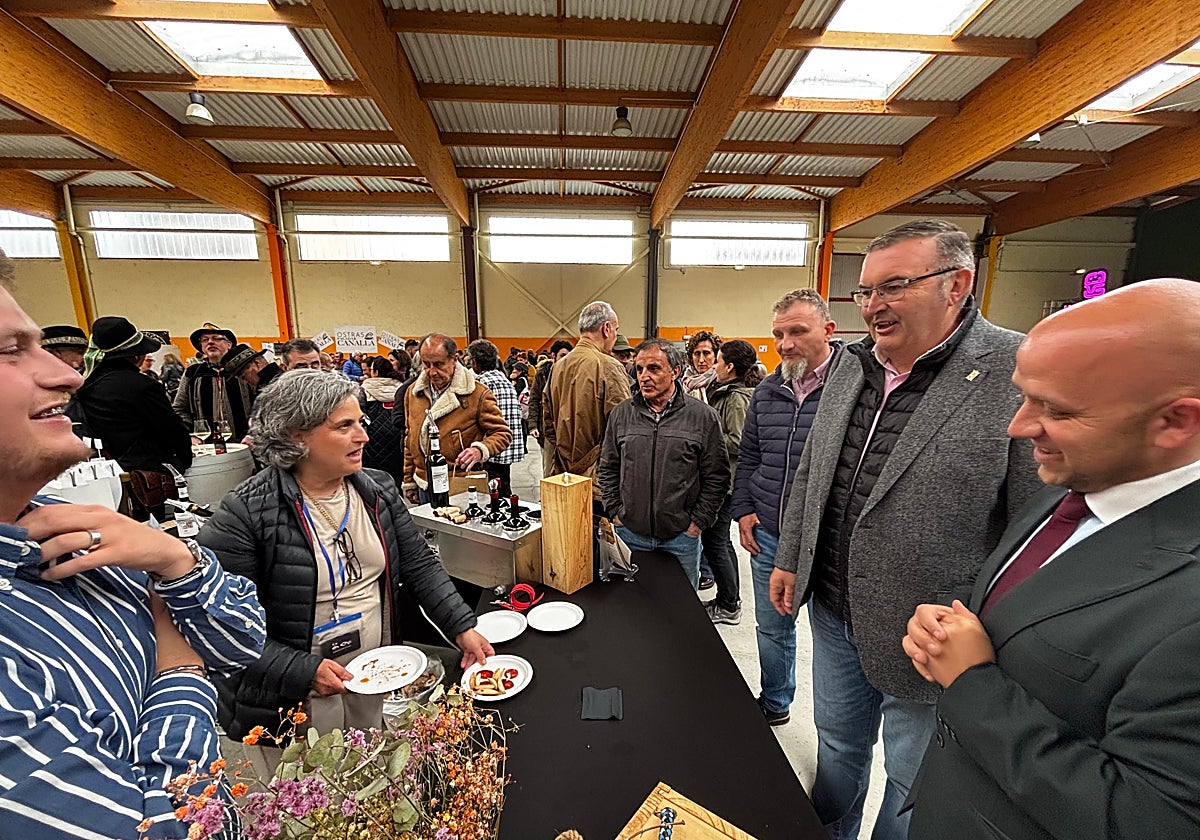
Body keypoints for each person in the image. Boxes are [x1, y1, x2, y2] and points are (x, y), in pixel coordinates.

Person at [769, 219, 1042, 840]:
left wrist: (996, 638)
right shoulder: (852, 364)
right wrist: (791, 557)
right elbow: (815, 469)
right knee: (838, 746)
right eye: (865, 291)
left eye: (894, 286)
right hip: (833, 609)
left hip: (931, 634)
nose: (873, 306)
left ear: (957, 285)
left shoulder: (1013, 368)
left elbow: (1035, 524)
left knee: (911, 777)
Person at [901, 277, 1200, 839]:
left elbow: (1148, 817)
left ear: (1177, 422)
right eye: (1025, 396)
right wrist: (952, 631)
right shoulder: (1076, 485)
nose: (1017, 427)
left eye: (1057, 411)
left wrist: (971, 681)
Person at [0, 247, 266, 839]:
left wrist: (175, 558)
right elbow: (183, 828)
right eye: (10, 350)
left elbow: (241, 640)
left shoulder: (70, 525)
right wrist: (179, 670)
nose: (70, 376)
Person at [200, 370, 493, 745]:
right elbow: (221, 626)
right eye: (344, 426)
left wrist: (461, 625)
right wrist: (302, 671)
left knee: (370, 762)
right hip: (289, 700)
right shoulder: (246, 514)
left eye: (360, 422)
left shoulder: (376, 489)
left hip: (373, 676)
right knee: (310, 777)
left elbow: (419, 564)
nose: (363, 436)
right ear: (296, 435)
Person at [730, 289, 840, 727]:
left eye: (797, 331)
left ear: (828, 330)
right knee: (772, 627)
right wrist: (744, 508)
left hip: (828, 542)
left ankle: (835, 729)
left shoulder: (849, 391)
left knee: (833, 641)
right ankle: (775, 701)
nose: (785, 344)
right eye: (778, 334)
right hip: (771, 534)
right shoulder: (767, 391)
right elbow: (749, 456)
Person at [598, 339, 730, 588]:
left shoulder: (703, 417)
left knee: (681, 604)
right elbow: (608, 467)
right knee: (632, 599)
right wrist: (615, 511)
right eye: (639, 369)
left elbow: (717, 476)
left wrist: (697, 523)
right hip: (630, 533)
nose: (644, 377)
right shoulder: (621, 414)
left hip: (681, 537)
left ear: (675, 371)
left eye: (654, 368)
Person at [67, 315, 193, 475]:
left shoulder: (86, 385)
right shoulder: (142, 385)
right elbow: (172, 430)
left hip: (103, 471)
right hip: (145, 473)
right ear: (136, 356)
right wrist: (183, 460)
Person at [402, 334, 511, 504]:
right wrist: (409, 480)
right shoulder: (413, 393)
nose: (432, 371)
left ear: (454, 360)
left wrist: (479, 450)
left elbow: (502, 433)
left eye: (439, 364)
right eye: (426, 364)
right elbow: (410, 438)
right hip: (424, 483)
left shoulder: (477, 394)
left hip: (460, 484)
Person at [545, 301, 631, 498]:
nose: (615, 335)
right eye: (616, 329)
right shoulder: (609, 366)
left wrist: (567, 455)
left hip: (563, 474)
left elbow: (547, 424)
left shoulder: (558, 367)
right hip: (600, 481)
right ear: (606, 329)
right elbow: (625, 428)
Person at [700, 338, 759, 626]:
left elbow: (737, 441)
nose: (714, 366)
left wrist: (704, 435)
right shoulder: (727, 392)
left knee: (716, 543)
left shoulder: (736, 398)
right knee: (720, 542)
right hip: (725, 480)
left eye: (717, 361)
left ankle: (729, 604)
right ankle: (729, 599)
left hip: (726, 483)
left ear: (730, 366)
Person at [173, 322, 255, 441]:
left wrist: (254, 433)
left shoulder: (243, 370)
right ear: (202, 347)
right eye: (205, 340)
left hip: (245, 441)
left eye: (216, 338)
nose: (210, 342)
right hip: (206, 443)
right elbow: (180, 408)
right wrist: (190, 434)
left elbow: (261, 404)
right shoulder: (193, 373)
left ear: (229, 344)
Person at [467, 339, 526, 497]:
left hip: (490, 447)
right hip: (507, 445)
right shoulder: (504, 379)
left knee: (492, 491)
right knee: (504, 485)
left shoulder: (480, 383)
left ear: (475, 362)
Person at [528, 339, 572, 478]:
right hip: (548, 429)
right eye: (562, 355)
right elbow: (534, 400)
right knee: (548, 469)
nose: (565, 359)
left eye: (568, 356)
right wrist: (533, 425)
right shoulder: (542, 374)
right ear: (553, 356)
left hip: (568, 430)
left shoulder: (573, 374)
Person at [359, 355, 405, 483]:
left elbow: (361, 415)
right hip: (397, 438)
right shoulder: (401, 388)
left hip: (373, 441)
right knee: (397, 477)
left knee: (375, 479)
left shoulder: (365, 389)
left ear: (376, 372)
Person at [683, 330, 721, 403]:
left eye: (706, 353)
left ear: (716, 356)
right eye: (697, 354)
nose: (701, 360)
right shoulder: (683, 383)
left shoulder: (722, 382)